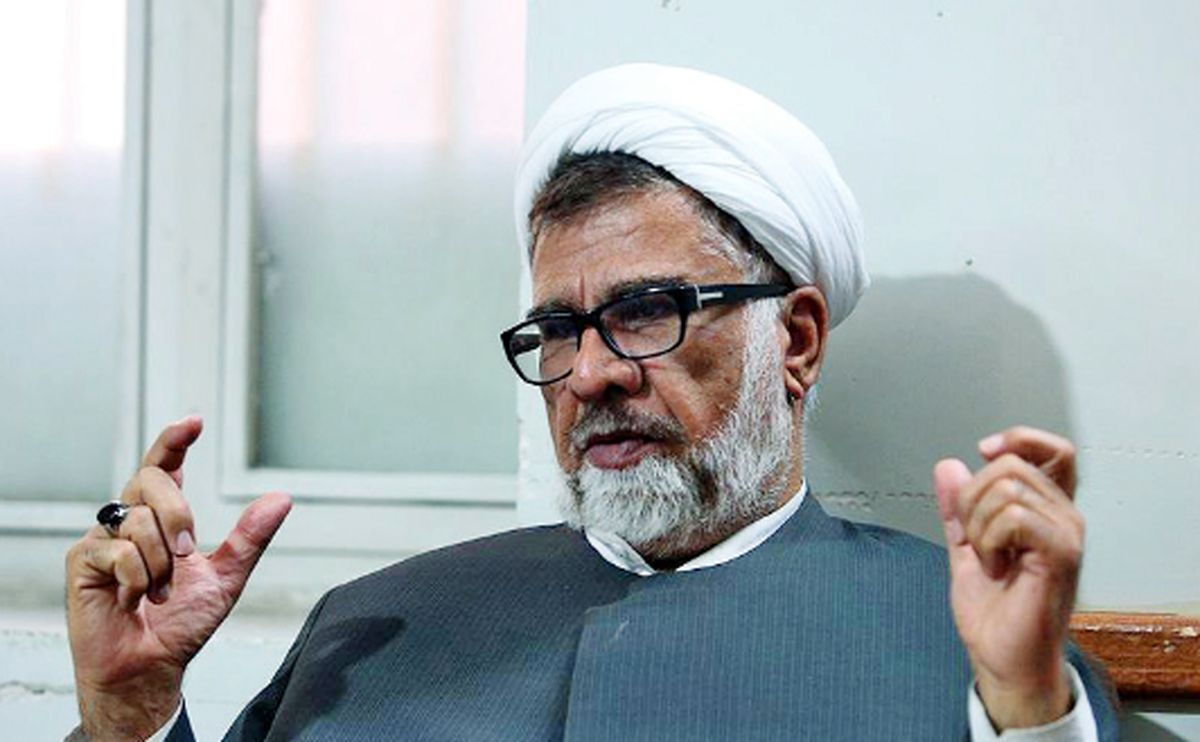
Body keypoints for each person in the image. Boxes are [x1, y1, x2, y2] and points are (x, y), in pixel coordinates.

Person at [65, 64, 1117, 740]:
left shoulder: (972, 645)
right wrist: (129, 713)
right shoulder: (376, 627)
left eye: (649, 310)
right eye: (559, 329)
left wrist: (1026, 712)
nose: (589, 374)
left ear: (794, 340)